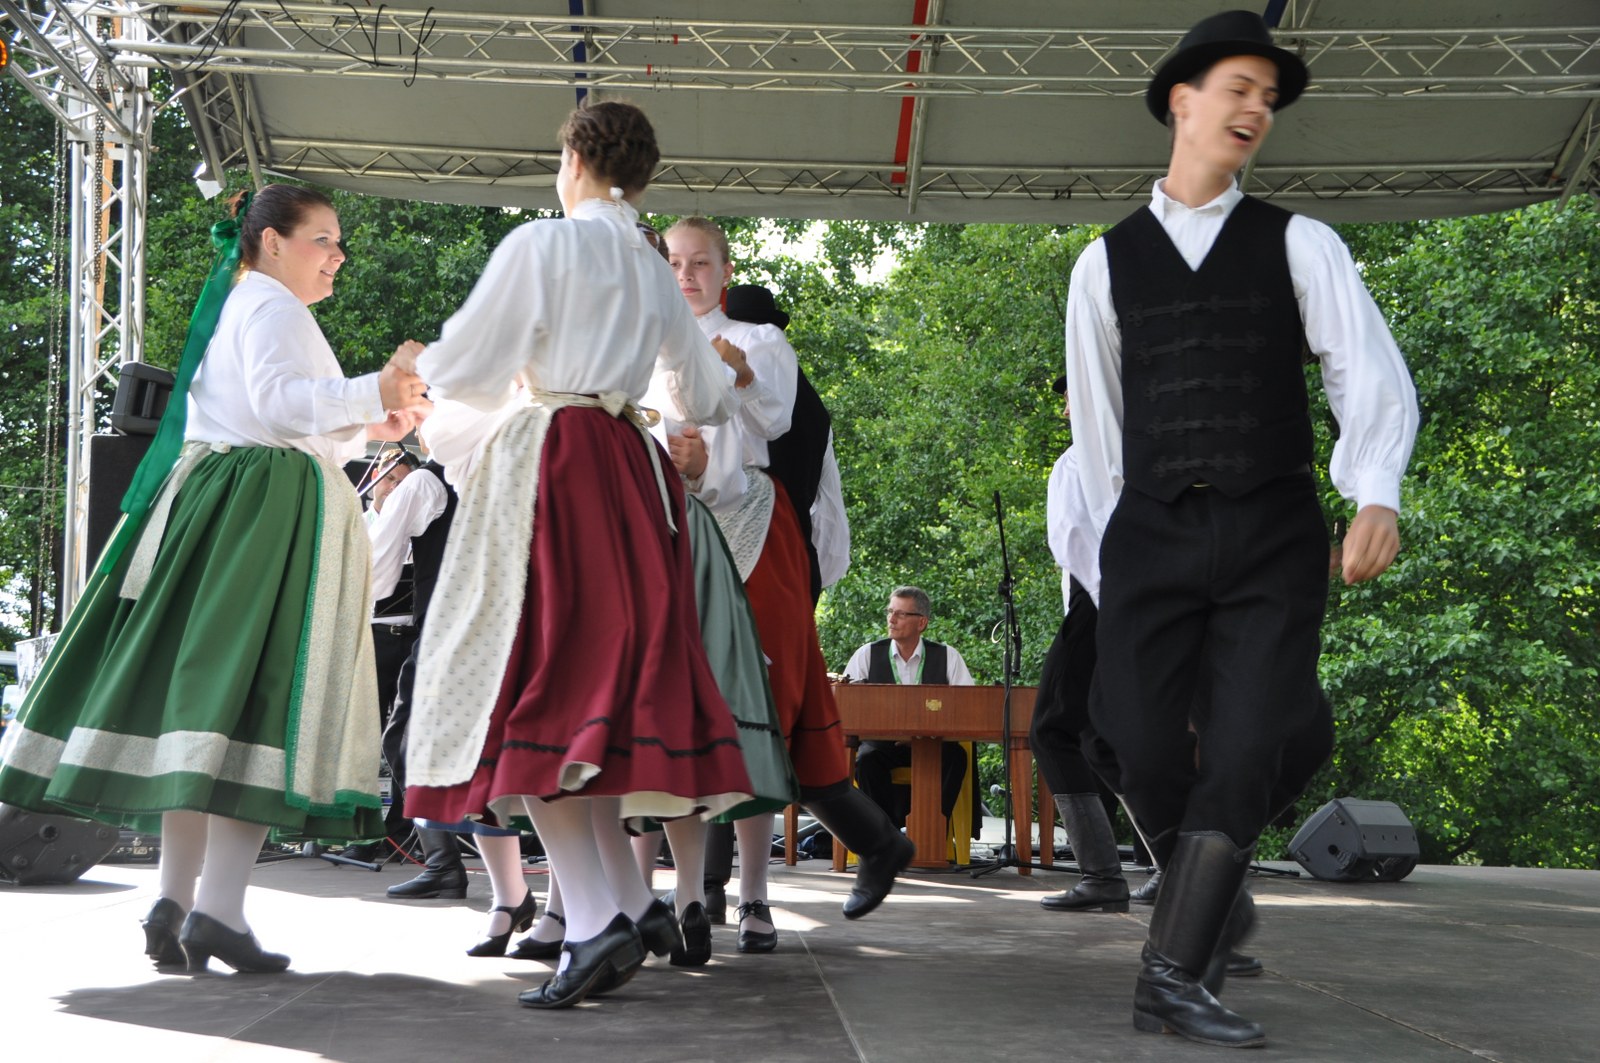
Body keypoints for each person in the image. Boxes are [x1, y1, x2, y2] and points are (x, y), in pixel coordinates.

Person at [1065, 11, 1419, 1048]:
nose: (1257, 108)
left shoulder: (1300, 242)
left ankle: (1169, 973)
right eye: (1239, 87)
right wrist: (1102, 563)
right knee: (1130, 738)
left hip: (1272, 531)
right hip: (1149, 531)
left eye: (1269, 96)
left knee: (1249, 745)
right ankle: (1208, 897)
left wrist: (1376, 490)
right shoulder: (1102, 264)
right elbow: (1099, 435)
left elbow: (1365, 372)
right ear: (1182, 102)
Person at [0, 183, 427, 974]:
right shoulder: (272, 306)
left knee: (205, 715)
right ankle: (218, 911)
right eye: (323, 239)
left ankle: (175, 898)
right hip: (262, 518)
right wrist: (375, 389)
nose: (338, 255)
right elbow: (280, 407)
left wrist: (371, 421)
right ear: (272, 242)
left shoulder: (248, 302)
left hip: (226, 505)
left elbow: (275, 412)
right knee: (255, 708)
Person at [399, 101, 754, 1011]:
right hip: (630, 472)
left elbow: (467, 367)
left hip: (554, 461)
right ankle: (626, 902)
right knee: (594, 696)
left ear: (575, 159)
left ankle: (596, 919)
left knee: (534, 682)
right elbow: (708, 397)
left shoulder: (544, 244)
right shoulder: (649, 266)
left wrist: (420, 374)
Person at [660, 216, 914, 954]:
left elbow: (777, 419)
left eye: (700, 262)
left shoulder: (760, 339)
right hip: (684, 525)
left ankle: (758, 889)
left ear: (725, 269)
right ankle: (703, 894)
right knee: (699, 705)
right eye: (674, 262)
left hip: (753, 522)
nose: (686, 275)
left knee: (767, 700)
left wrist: (739, 374)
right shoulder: (653, 350)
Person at [1028, 379, 1130, 914]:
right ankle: (1173, 865)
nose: (1066, 406)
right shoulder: (1139, 454)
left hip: (1098, 606)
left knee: (1050, 729)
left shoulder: (1077, 463)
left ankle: (1102, 874)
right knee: (1100, 742)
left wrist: (1104, 616)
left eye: (1073, 394)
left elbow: (1076, 546)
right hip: (1132, 609)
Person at [841, 586, 975, 838]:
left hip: (933, 743)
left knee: (956, 756)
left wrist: (925, 733)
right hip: (883, 745)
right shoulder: (867, 654)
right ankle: (886, 836)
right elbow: (849, 704)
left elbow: (967, 706)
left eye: (900, 614)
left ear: (921, 622)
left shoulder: (948, 656)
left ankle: (930, 834)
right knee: (866, 760)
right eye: (890, 612)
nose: (891, 619)